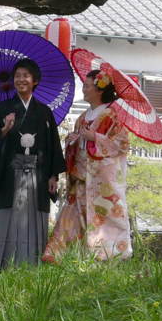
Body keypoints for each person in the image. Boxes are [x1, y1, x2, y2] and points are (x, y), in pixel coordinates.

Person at [0, 58, 66, 269]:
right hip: (10, 174)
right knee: (9, 217)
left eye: (26, 76)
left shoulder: (44, 112)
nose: (21, 80)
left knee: (34, 218)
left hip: (38, 175)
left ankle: (32, 265)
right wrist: (4, 129)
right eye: (17, 76)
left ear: (35, 80)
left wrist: (53, 175)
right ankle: (4, 265)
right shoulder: (2, 109)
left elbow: (53, 144)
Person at [42, 69, 132, 262]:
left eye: (87, 86)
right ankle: (59, 255)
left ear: (99, 89)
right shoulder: (83, 117)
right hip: (81, 178)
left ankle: (107, 256)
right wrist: (73, 141)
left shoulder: (112, 115)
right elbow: (76, 143)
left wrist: (95, 137)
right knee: (72, 216)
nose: (84, 89)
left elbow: (121, 144)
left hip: (101, 182)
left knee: (104, 219)